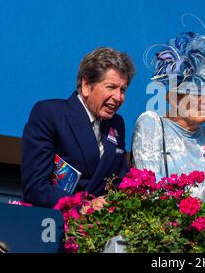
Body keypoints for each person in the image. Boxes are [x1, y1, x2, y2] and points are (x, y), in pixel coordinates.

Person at [21, 47, 135, 208]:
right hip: (54, 226)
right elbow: (36, 187)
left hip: (101, 229)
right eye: (111, 87)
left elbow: (119, 182)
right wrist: (84, 206)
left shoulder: (117, 124)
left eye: (122, 90)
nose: (118, 97)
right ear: (86, 85)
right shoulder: (50, 114)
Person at [132, 32, 205, 203]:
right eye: (195, 92)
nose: (204, 100)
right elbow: (151, 195)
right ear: (173, 96)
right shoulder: (151, 124)